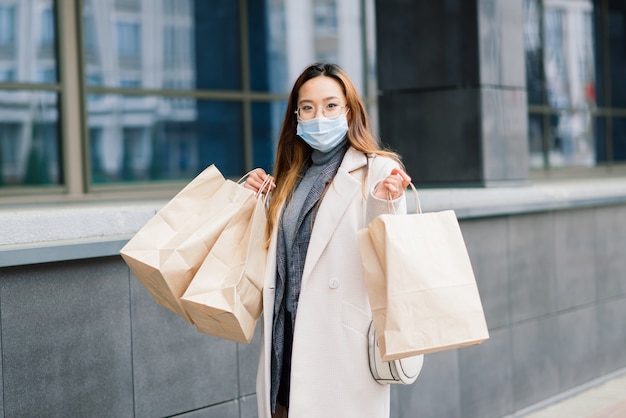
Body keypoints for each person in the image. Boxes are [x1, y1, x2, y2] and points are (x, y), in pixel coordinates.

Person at [244, 62, 412, 418]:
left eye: (331, 105)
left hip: (341, 343)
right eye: (308, 107)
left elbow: (392, 261)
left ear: (350, 111)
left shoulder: (378, 169)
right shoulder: (289, 178)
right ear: (297, 116)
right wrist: (252, 201)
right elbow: (270, 261)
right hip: (287, 340)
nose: (319, 115)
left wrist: (385, 201)